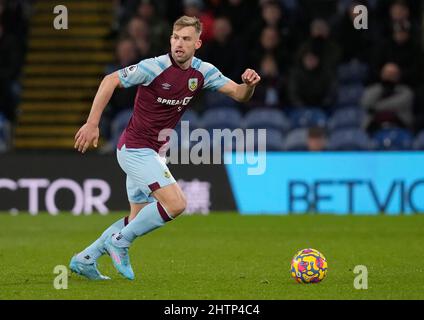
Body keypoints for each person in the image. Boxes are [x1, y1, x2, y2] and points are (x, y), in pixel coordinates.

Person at [69, 16, 260, 280]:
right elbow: (110, 80)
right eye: (175, 37)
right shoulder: (154, 67)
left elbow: (239, 94)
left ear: (198, 43)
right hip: (135, 149)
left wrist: (249, 85)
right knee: (177, 204)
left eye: (186, 39)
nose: (178, 44)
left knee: (135, 219)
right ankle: (119, 242)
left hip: (153, 152)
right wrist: (92, 123)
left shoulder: (203, 72)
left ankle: (85, 259)